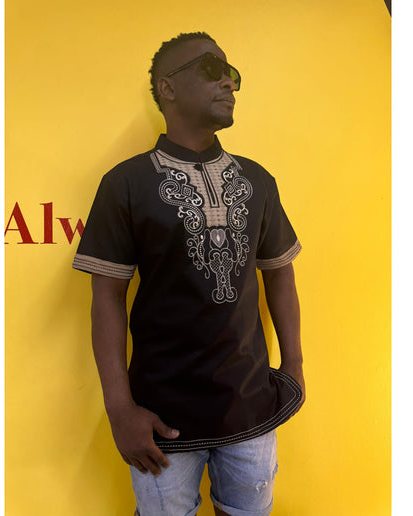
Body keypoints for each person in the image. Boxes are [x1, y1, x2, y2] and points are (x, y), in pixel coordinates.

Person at [73, 31, 305, 516]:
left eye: (232, 74)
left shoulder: (257, 181)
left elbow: (280, 275)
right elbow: (107, 298)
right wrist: (120, 409)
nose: (229, 82)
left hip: (251, 409)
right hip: (160, 420)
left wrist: (295, 367)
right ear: (168, 88)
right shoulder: (126, 183)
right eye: (212, 70)